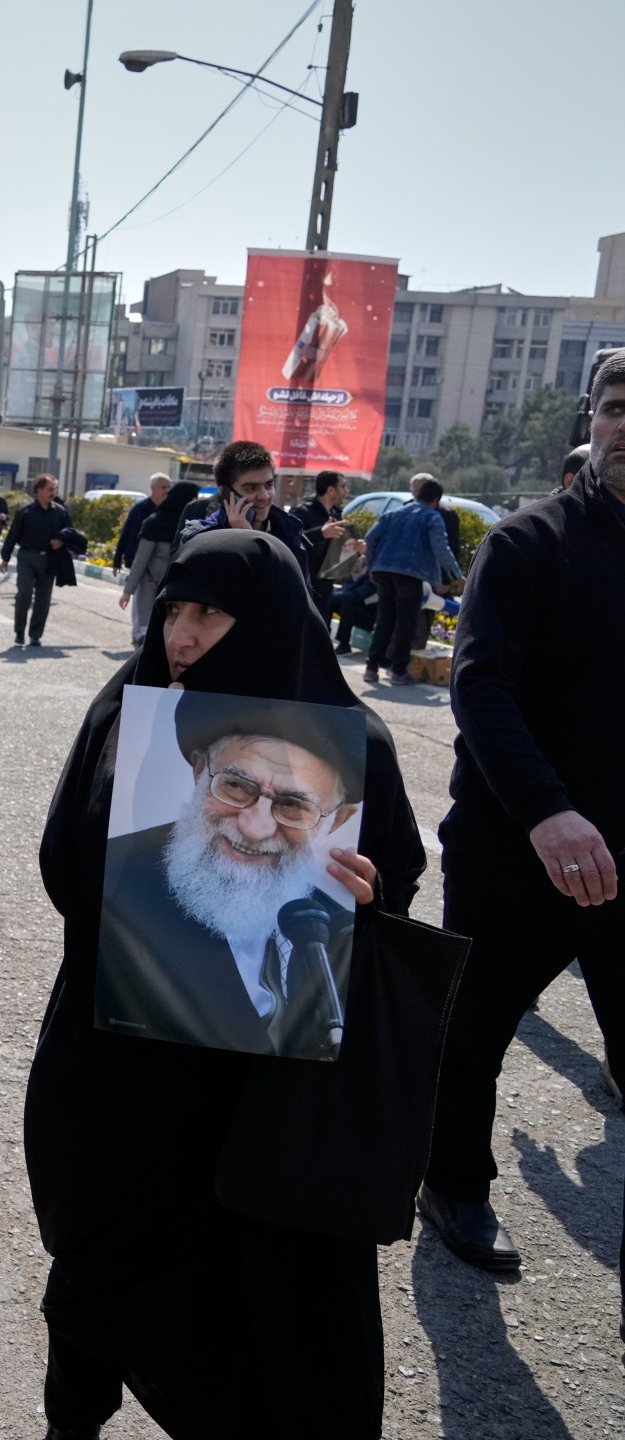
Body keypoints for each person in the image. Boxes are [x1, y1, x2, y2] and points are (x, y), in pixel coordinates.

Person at [24, 528, 425, 1439]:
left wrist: (363, 897)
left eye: (210, 613)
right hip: (126, 1079)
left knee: (274, 1327)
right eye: (175, 608)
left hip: (268, 1103)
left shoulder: (356, 743)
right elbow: (63, 866)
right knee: (100, 1282)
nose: (182, 634)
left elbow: (393, 890)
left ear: (271, 619)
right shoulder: (128, 711)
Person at [418, 351, 625, 1278]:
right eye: (617, 407)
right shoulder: (529, 543)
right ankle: (453, 1183)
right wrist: (548, 811)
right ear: (592, 419)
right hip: (519, 848)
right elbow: (481, 686)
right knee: (474, 1033)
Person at [97, 690, 365, 1059]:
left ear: (338, 819)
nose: (255, 827)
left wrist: (379, 916)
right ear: (199, 772)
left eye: (293, 805)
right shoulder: (112, 879)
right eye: (236, 786)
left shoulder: (337, 926)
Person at [362, 478, 460, 688]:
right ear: (436, 499)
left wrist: (372, 566)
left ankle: (371, 668)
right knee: (406, 623)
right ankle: (398, 671)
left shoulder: (393, 513)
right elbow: (441, 549)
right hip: (410, 575)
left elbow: (370, 538)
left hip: (384, 571)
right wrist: (456, 575)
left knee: (384, 619)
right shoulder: (432, 517)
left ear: (417, 494)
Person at [176, 439, 314, 577]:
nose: (264, 496)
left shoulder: (291, 532)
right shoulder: (200, 540)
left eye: (269, 485)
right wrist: (246, 540)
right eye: (251, 488)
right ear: (225, 493)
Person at [118, 481, 198, 647]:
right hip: (152, 588)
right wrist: (127, 591)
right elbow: (141, 560)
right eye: (193, 499)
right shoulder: (154, 523)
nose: (196, 503)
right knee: (150, 637)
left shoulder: (192, 525)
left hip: (177, 591)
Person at [0, 474, 71, 649]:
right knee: (24, 593)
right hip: (27, 558)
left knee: (43, 599)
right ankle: (19, 632)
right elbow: (13, 535)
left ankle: (35, 635)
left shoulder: (60, 512)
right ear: (38, 491)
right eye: (49, 489)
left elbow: (70, 533)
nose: (53, 492)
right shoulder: (25, 512)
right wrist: (5, 558)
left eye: (54, 489)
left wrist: (62, 541)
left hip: (49, 560)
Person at [291, 471, 350, 621]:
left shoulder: (336, 515)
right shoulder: (302, 511)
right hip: (303, 584)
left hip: (324, 587)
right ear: (330, 490)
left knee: (321, 630)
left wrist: (353, 549)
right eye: (343, 486)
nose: (346, 491)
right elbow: (290, 541)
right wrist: (320, 533)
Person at [113, 473, 169, 574]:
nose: (166, 491)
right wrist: (117, 560)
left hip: (158, 562)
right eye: (163, 487)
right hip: (137, 559)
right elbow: (126, 532)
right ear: (153, 488)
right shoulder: (139, 508)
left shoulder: (168, 510)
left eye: (168, 487)